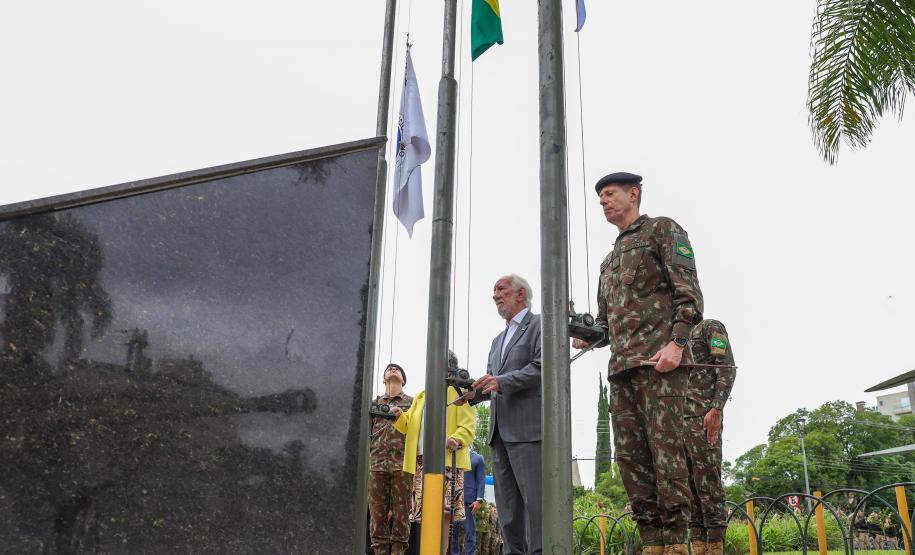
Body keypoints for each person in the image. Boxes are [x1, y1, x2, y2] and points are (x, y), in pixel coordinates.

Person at [573, 172, 704, 555]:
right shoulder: (608, 261)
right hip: (622, 372)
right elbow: (605, 324)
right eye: (599, 198)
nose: (603, 202)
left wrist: (677, 344)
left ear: (634, 194)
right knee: (632, 462)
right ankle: (652, 544)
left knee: (668, 457)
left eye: (610, 195)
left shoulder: (662, 231)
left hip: (660, 367)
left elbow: (689, 296)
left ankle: (678, 543)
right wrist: (586, 333)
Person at [467, 274, 543, 555]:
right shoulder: (497, 340)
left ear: (521, 294)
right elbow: (492, 384)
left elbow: (542, 367)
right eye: (493, 290)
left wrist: (502, 381)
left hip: (528, 431)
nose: (495, 295)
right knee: (508, 510)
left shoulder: (539, 325)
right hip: (499, 435)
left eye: (501, 289)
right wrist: (469, 394)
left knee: (536, 506)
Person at [392, 351, 475, 555]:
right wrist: (399, 417)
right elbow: (409, 424)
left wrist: (456, 438)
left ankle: (440, 551)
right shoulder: (422, 395)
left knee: (445, 511)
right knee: (424, 512)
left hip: (447, 459)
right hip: (421, 460)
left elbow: (468, 426)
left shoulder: (458, 392)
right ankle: (428, 550)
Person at [683, 319, 736, 555]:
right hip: (676, 423)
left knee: (708, 485)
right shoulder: (671, 338)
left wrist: (716, 408)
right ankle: (697, 547)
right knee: (687, 490)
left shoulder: (709, 328)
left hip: (702, 418)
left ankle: (715, 547)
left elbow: (725, 367)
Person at [368, 364, 414, 555]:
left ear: (403, 379)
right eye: (389, 368)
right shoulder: (373, 404)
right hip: (377, 463)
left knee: (401, 514)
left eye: (397, 369)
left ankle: (398, 552)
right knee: (377, 516)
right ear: (384, 378)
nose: (393, 369)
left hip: (402, 463)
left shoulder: (411, 403)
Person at [450, 448, 486, 554]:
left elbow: (481, 480)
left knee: (470, 534)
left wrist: (479, 500)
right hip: (453, 500)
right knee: (452, 534)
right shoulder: (452, 455)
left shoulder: (478, 459)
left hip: (469, 502)